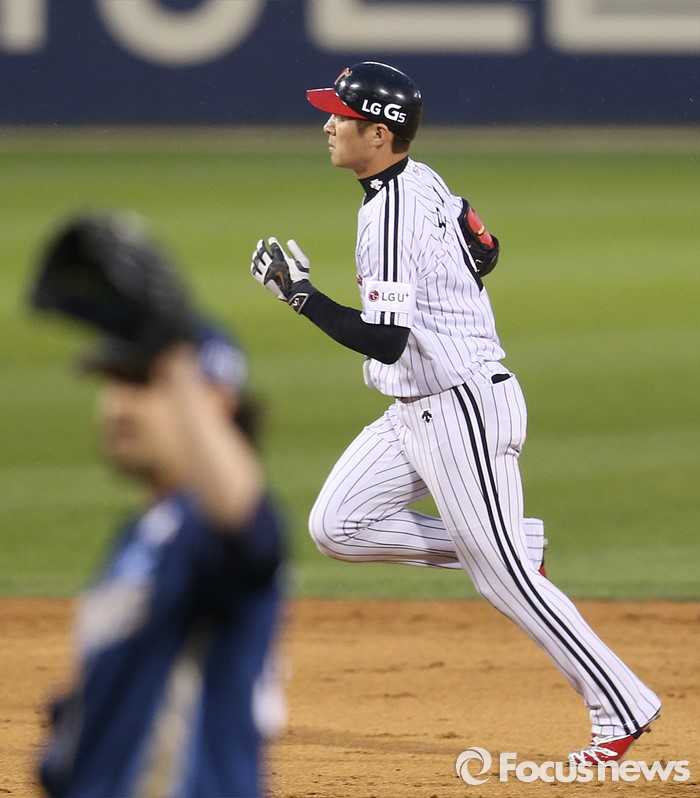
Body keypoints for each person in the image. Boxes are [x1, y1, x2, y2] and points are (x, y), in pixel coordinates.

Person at [250, 61, 660, 765]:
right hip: (416, 409)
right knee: (337, 526)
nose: (328, 125)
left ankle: (621, 707)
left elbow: (385, 338)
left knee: (504, 583)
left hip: (461, 406)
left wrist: (299, 295)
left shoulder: (389, 214)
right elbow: (484, 249)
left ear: (379, 134)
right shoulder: (424, 179)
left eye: (341, 116)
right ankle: (508, 541)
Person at [32, 215, 285, 798]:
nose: (119, 405)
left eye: (144, 383)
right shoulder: (142, 537)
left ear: (214, 401)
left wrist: (175, 357)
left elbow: (251, 534)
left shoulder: (206, 532)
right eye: (114, 383)